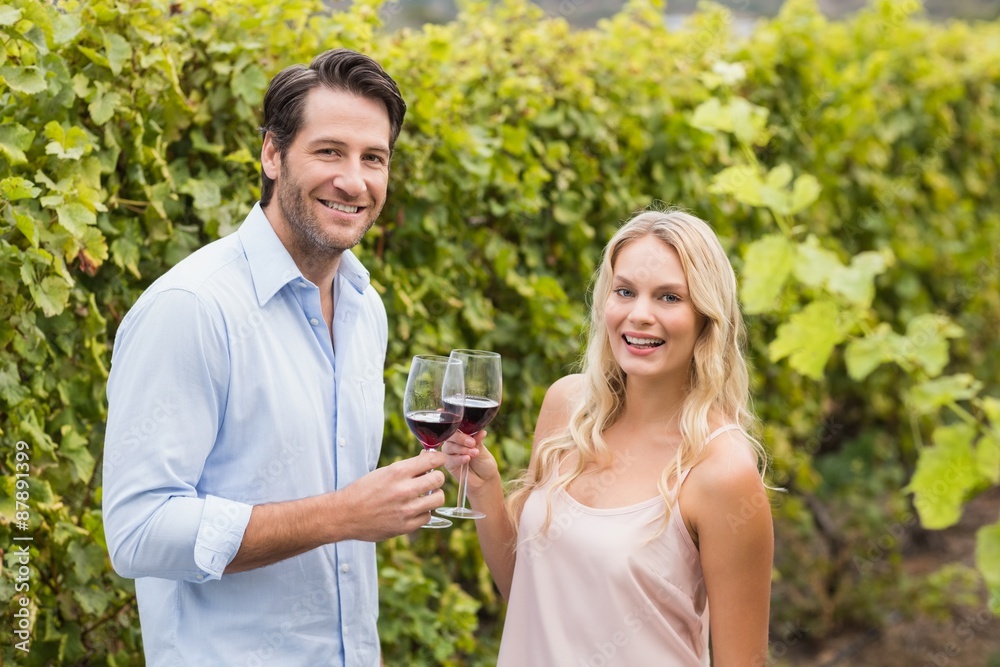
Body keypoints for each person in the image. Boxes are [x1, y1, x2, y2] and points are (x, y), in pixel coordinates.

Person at [102, 48, 448, 666]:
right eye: (329, 151)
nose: (355, 180)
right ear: (271, 154)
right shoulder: (192, 308)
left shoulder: (366, 307)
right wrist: (343, 514)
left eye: (375, 158)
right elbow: (138, 533)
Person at [444, 208, 775, 666]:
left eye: (668, 297)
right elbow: (525, 587)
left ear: (706, 316)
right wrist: (483, 487)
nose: (640, 315)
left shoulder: (721, 471)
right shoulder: (568, 409)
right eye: (625, 292)